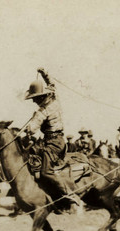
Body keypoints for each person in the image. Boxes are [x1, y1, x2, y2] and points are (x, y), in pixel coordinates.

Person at [24, 67, 81, 206]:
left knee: (45, 172)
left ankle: (68, 194)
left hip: (53, 143)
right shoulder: (55, 99)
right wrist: (44, 73)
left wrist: (28, 128)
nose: (34, 101)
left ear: (41, 97)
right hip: (57, 141)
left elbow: (32, 129)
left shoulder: (42, 111)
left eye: (35, 98)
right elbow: (51, 84)